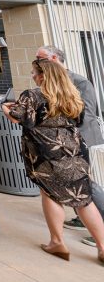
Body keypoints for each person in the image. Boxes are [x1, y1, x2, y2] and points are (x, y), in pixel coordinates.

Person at [1, 59, 104, 263]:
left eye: (34, 73)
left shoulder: (32, 95)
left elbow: (16, 117)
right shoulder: (73, 96)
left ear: (43, 76)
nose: (32, 76)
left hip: (45, 153)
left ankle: (57, 242)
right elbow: (80, 120)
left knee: (50, 193)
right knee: (84, 198)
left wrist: (6, 108)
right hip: (74, 152)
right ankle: (103, 247)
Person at [35, 45, 104, 233]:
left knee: (85, 183)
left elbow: (87, 114)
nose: (36, 61)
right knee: (75, 184)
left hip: (79, 140)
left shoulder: (80, 82)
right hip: (61, 142)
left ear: (54, 58)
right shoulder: (47, 83)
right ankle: (83, 218)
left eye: (40, 58)